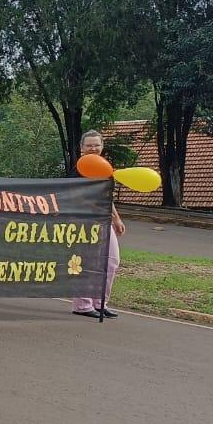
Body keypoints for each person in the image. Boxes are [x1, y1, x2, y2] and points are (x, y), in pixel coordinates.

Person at [72, 130, 124, 320]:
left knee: (111, 261)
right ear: (82, 148)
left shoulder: (105, 169)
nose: (93, 148)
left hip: (104, 221)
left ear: (102, 147)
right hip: (84, 222)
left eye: (96, 145)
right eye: (89, 145)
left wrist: (116, 218)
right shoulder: (78, 169)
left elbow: (107, 197)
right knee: (87, 262)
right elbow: (73, 196)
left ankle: (100, 302)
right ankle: (82, 304)